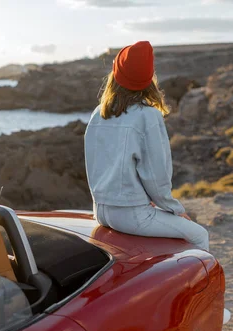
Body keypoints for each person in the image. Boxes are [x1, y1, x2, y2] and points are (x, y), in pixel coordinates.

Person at [84, 41, 209, 251]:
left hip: (101, 211)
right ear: (149, 79)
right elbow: (156, 175)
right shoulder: (148, 115)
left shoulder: (99, 112)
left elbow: (95, 164)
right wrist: (175, 210)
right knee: (198, 235)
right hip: (132, 216)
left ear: (115, 76)